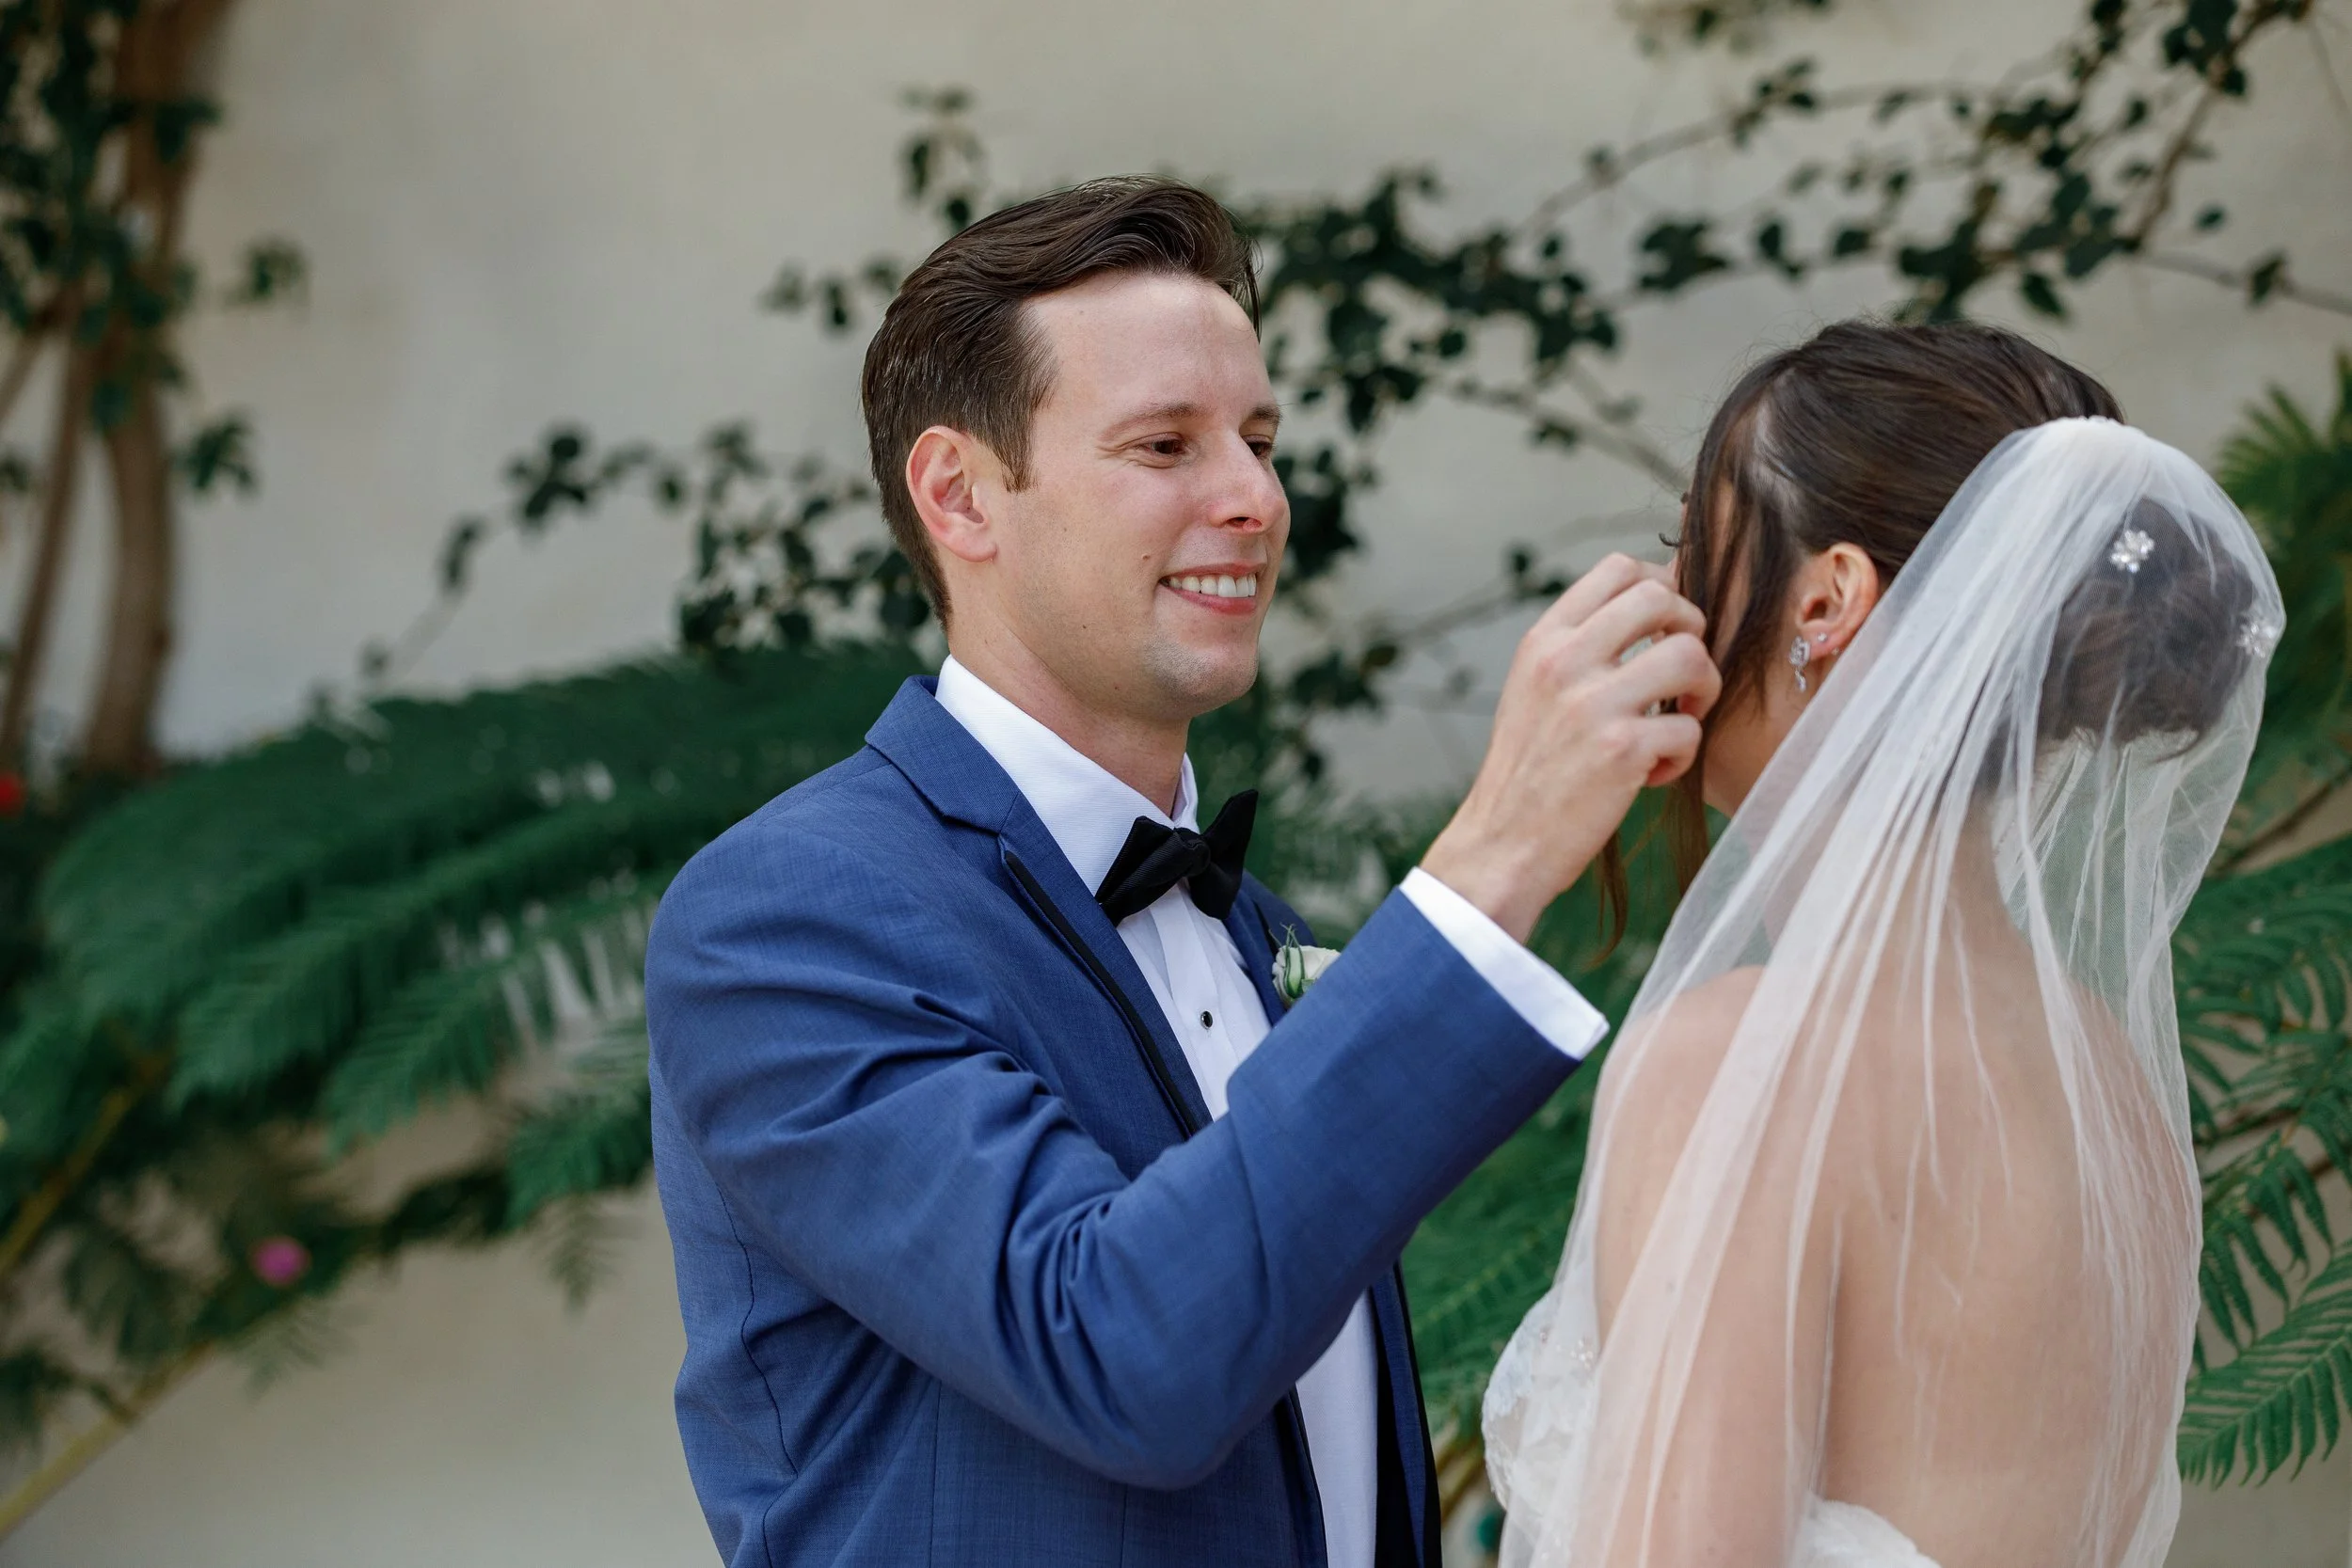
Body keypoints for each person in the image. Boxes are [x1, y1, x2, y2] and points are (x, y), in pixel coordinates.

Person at [643, 176, 1721, 1568]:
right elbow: (1121, 1352)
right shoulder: (788, 917)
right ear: (960, 494)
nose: (1255, 498)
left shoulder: (1260, 926)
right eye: (1166, 445)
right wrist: (1498, 854)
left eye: (1260, 440)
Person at [1483, 321, 2282, 1568]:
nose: (1668, 604)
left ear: (1826, 602)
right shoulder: (2113, 1086)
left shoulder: (1739, 1063)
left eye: (1687, 548)